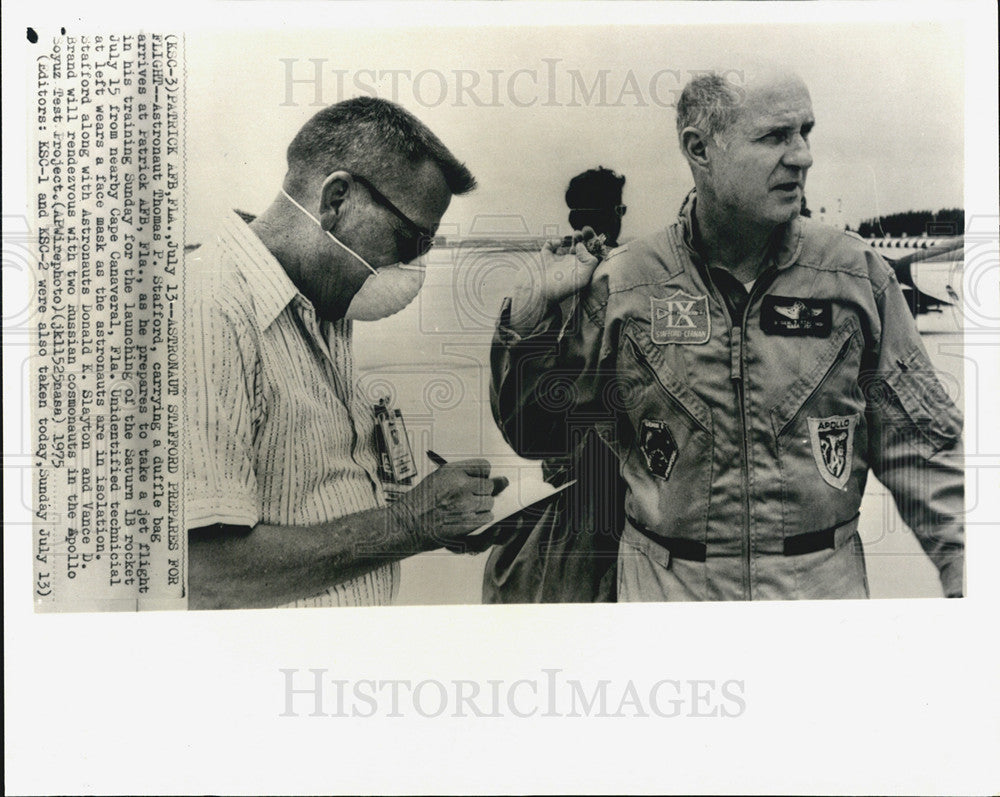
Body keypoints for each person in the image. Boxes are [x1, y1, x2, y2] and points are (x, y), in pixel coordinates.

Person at [490, 67, 964, 600]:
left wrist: (970, 578)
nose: (803, 155)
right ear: (700, 150)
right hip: (667, 604)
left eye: (805, 132)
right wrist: (532, 318)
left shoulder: (857, 280)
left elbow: (926, 453)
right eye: (774, 137)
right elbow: (537, 432)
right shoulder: (625, 286)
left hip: (819, 605)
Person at [185, 97, 505, 610]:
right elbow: (206, 573)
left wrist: (436, 515)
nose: (411, 266)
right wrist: (407, 525)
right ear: (336, 200)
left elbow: (314, 494)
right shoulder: (209, 308)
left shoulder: (322, 310)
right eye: (409, 241)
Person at [483, 167, 628, 603]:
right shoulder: (628, 279)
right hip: (598, 505)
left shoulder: (561, 281)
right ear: (620, 213)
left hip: (584, 503)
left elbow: (523, 426)